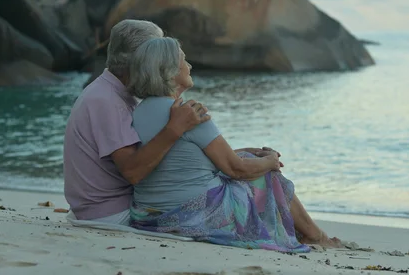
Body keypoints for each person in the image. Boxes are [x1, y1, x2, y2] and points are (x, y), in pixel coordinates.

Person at [126, 37, 342, 252]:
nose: (189, 65)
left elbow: (182, 158)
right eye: (183, 60)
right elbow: (236, 169)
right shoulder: (189, 114)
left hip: (149, 216)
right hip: (193, 216)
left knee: (250, 159)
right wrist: (270, 162)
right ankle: (315, 235)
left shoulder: (138, 112)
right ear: (169, 70)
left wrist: (245, 152)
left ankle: (311, 233)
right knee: (264, 173)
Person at [63, 19, 211, 224]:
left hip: (107, 207)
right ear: (140, 57)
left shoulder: (114, 93)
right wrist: (174, 128)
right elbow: (133, 171)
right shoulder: (107, 101)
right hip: (109, 212)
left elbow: (174, 157)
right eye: (159, 51)